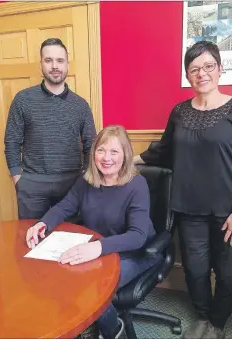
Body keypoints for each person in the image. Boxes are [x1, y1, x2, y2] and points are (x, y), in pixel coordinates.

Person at [134, 40, 232, 339]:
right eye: (194, 69)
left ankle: (218, 325)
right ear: (188, 75)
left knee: (230, 274)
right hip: (187, 208)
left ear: (220, 69)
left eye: (208, 66)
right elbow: (164, 150)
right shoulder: (180, 111)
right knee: (195, 271)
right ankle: (203, 317)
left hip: (229, 211)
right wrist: (129, 159)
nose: (202, 73)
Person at [25, 125, 162, 339]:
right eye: (101, 150)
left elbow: (137, 236)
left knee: (92, 290)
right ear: (94, 153)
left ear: (125, 155)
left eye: (114, 151)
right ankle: (84, 325)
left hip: (137, 252)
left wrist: (98, 247)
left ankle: (114, 331)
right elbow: (64, 207)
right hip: (99, 250)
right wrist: (42, 224)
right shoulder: (86, 181)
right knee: (62, 277)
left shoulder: (137, 184)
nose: (106, 158)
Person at [4, 38, 96, 219]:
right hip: (32, 184)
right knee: (30, 238)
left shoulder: (80, 105)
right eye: (49, 60)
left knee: (69, 238)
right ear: (41, 64)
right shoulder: (22, 100)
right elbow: (12, 140)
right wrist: (17, 177)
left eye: (60, 60)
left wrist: (85, 176)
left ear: (67, 64)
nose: (55, 66)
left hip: (71, 184)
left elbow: (91, 144)